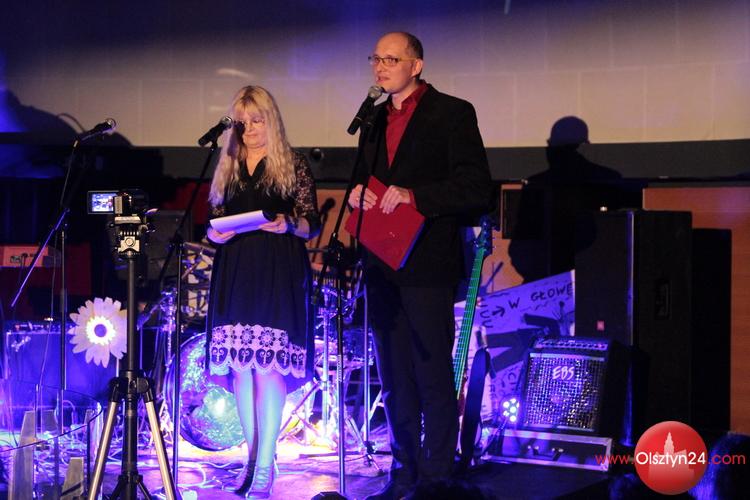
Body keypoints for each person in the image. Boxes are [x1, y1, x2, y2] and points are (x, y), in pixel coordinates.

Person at [348, 32, 494, 500]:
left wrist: (416, 196)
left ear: (417, 65)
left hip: (428, 261)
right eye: (376, 58)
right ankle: (403, 472)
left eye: (391, 59)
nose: (380, 66)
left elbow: (476, 187)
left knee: (431, 371)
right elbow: (366, 179)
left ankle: (435, 478)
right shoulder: (373, 119)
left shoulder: (452, 113)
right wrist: (357, 194)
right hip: (381, 261)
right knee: (393, 375)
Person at [205, 85, 320, 498]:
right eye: (242, 122)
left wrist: (288, 224)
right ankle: (252, 458)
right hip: (236, 269)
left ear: (272, 121)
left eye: (257, 120)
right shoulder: (229, 165)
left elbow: (312, 223)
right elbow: (214, 220)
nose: (250, 129)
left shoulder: (293, 164)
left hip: (277, 269)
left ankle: (267, 462)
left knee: (268, 368)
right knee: (241, 367)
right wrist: (214, 235)